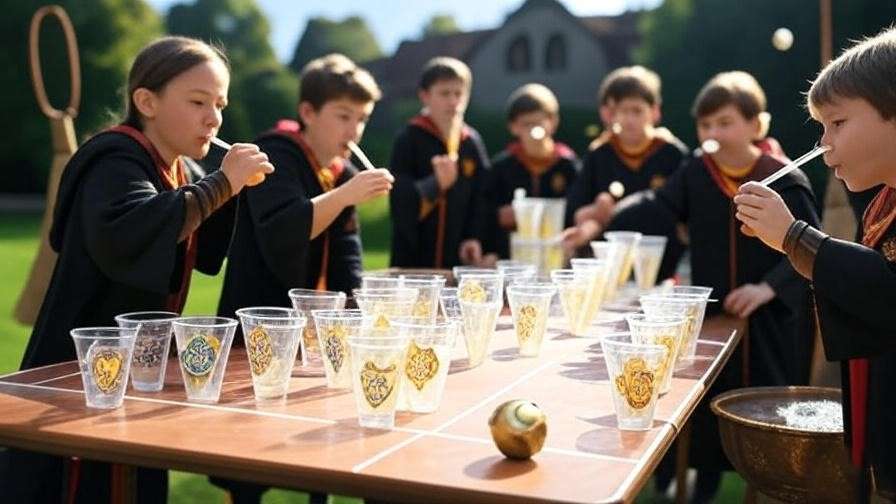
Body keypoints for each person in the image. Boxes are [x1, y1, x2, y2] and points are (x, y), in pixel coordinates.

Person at [1, 36, 273, 503]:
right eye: (197, 101)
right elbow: (133, 231)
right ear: (146, 101)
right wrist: (223, 182)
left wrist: (230, 190)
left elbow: (198, 243)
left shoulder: (180, 171)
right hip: (77, 377)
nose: (214, 117)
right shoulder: (114, 158)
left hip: (138, 373)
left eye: (220, 104)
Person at [606, 71, 821, 501]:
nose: (713, 134)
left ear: (756, 126)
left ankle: (766, 488)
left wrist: (767, 289)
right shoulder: (695, 173)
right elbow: (659, 209)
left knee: (765, 412)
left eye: (725, 122)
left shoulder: (782, 177)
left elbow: (812, 248)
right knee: (703, 411)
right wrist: (609, 214)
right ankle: (700, 484)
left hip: (770, 325)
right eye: (706, 125)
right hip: (712, 321)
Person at [734, 28, 896, 502]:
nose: (824, 144)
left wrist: (794, 238)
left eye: (838, 124)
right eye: (822, 129)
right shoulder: (882, 202)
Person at [562, 65, 687, 276]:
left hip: (662, 266)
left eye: (637, 111)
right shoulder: (599, 155)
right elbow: (575, 210)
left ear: (654, 111)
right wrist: (594, 213)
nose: (629, 119)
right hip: (609, 267)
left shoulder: (673, 154)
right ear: (611, 114)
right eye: (622, 111)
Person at [389, 57, 490, 269]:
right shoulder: (409, 138)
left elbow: (482, 196)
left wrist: (474, 236)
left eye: (459, 93)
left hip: (459, 259)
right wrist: (435, 185)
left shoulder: (471, 141)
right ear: (425, 96)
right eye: (445, 93)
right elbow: (399, 199)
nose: (453, 101)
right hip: (414, 262)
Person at [481, 83, 579, 263]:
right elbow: (484, 211)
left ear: (553, 122)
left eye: (538, 122)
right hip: (512, 259)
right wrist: (499, 216)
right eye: (526, 124)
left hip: (556, 257)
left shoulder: (568, 165)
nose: (533, 130)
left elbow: (576, 210)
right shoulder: (502, 167)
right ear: (513, 127)